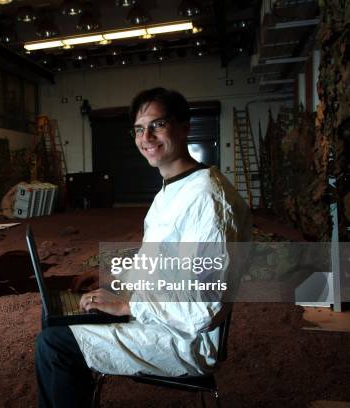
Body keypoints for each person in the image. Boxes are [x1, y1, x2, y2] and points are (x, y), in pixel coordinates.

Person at [35, 87, 252, 408]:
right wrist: (111, 281)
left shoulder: (206, 197)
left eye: (157, 125)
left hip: (184, 339)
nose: (146, 137)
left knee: (56, 343)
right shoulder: (171, 190)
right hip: (161, 316)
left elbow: (206, 306)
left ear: (184, 126)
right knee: (55, 316)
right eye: (139, 129)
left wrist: (129, 307)